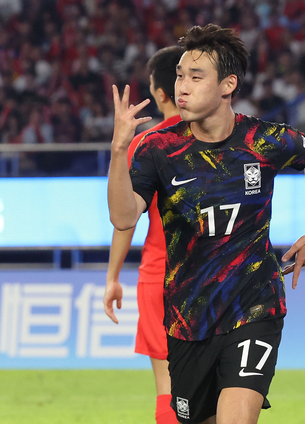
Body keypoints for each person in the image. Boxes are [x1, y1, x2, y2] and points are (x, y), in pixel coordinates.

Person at [107, 24, 305, 424]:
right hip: (187, 319)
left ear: (228, 85)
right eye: (180, 76)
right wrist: (119, 149)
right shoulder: (158, 149)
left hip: (254, 305)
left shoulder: (262, 140)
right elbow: (123, 217)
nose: (182, 87)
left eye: (196, 77)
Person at [104, 46, 182, 424]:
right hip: (217, 273)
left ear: (161, 93)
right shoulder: (222, 137)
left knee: (167, 385)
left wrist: (112, 277)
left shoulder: (147, 143)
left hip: (159, 274)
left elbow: (126, 220)